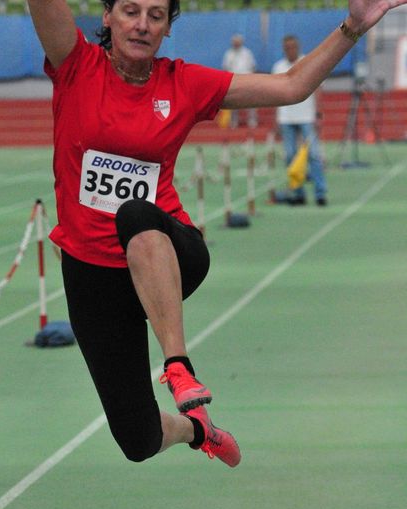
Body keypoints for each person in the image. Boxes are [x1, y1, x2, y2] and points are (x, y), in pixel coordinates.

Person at [26, 0, 404, 467]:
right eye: (130, 12)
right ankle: (197, 428)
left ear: (168, 28)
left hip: (170, 250)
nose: (142, 25)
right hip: (94, 275)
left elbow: (292, 86)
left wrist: (354, 26)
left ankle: (179, 367)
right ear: (107, 17)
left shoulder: (182, 83)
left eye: (155, 16)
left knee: (134, 215)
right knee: (138, 440)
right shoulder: (75, 65)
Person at [272, 35, 328, 206]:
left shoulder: (308, 63)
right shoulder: (278, 67)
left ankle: (320, 192)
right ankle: (298, 192)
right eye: (287, 48)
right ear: (284, 49)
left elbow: (318, 89)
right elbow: (273, 94)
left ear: (298, 47)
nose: (290, 50)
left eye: (293, 47)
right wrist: (276, 119)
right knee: (290, 155)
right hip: (286, 117)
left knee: (314, 155)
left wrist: (318, 113)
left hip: (306, 116)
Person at [222, 33, 258, 128]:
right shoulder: (228, 54)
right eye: (234, 42)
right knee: (233, 102)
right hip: (233, 81)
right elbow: (225, 68)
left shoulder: (247, 53)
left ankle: (252, 119)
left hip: (247, 80)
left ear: (241, 42)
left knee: (251, 101)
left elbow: (253, 67)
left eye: (238, 42)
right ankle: (234, 121)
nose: (236, 44)